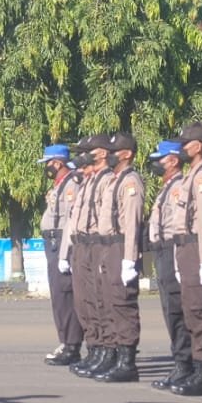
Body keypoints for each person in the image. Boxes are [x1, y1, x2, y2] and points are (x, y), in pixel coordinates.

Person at [169, 122, 202, 397]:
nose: (182, 148)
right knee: (191, 311)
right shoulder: (192, 175)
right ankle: (198, 368)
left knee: (200, 312)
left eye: (186, 144)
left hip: (195, 248)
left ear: (199, 146)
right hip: (185, 249)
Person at [90, 131, 144, 383]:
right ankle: (112, 354)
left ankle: (127, 361)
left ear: (127, 154)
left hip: (122, 246)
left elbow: (132, 223)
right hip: (108, 246)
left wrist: (129, 259)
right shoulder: (114, 180)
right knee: (109, 302)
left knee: (122, 304)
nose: (109, 155)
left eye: (114, 151)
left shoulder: (131, 181)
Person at [61, 134, 109, 377]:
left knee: (103, 302)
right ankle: (95, 349)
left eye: (86, 151)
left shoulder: (107, 180)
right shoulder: (87, 182)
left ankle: (107, 352)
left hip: (98, 246)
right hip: (82, 246)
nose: (81, 157)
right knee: (85, 302)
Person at [147, 140, 194, 389]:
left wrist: (176, 259)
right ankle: (182, 363)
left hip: (172, 250)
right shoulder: (168, 187)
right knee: (170, 309)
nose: (156, 163)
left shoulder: (178, 187)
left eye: (160, 159)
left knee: (177, 310)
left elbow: (177, 226)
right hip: (162, 251)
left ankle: (185, 364)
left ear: (173, 160)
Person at [39, 143, 85, 366]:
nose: (46, 167)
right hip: (54, 242)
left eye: (48, 163)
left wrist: (66, 252)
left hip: (62, 243)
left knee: (65, 295)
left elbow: (70, 221)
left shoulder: (71, 185)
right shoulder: (60, 185)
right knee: (58, 296)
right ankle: (65, 341)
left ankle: (71, 345)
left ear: (57, 162)